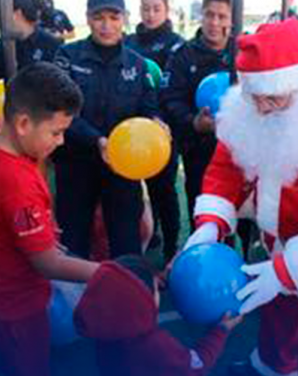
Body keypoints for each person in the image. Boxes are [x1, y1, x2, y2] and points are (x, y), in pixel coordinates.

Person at [181, 19, 298, 376]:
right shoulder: (250, 111)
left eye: (273, 97)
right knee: (279, 317)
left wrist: (289, 272)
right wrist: (211, 224)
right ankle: (271, 366)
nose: (263, 107)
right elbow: (226, 169)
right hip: (278, 244)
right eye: (255, 96)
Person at [0, 62, 100, 376]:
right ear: (23, 123)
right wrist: (107, 273)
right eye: (57, 132)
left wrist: (43, 228)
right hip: (17, 308)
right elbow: (47, 263)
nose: (61, 141)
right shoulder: (17, 183)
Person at [53, 0, 160, 260]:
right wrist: (97, 141)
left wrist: (157, 123)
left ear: (123, 19)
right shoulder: (66, 56)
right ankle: (73, 299)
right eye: (99, 17)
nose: (106, 25)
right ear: (88, 19)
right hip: (76, 165)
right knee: (73, 242)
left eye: (113, 17)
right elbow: (61, 111)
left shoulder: (137, 65)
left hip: (122, 169)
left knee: (126, 243)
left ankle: (128, 296)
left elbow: (149, 109)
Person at [76, 255, 242, 376]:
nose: (159, 292)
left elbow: (129, 291)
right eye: (155, 288)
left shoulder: (105, 326)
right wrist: (221, 330)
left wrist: (163, 277)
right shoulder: (153, 345)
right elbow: (195, 366)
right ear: (143, 300)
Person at [159, 0, 235, 227]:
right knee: (204, 214)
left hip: (240, 148)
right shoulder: (183, 55)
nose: (214, 22)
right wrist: (193, 122)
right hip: (199, 151)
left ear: (232, 20)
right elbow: (170, 98)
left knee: (242, 216)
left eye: (221, 17)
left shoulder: (244, 50)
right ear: (201, 16)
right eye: (209, 15)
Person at [125, 0, 185, 262]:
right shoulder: (127, 42)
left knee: (164, 191)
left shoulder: (177, 44)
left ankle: (172, 247)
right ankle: (149, 236)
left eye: (156, 9)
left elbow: (175, 90)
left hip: (163, 132)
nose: (150, 14)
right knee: (131, 193)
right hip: (128, 133)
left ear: (166, 10)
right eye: (145, 8)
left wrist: (162, 119)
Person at [0, 0, 62, 79]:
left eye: (3, 14)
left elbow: (58, 81)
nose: (1, 19)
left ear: (17, 14)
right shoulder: (7, 42)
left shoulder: (51, 44)